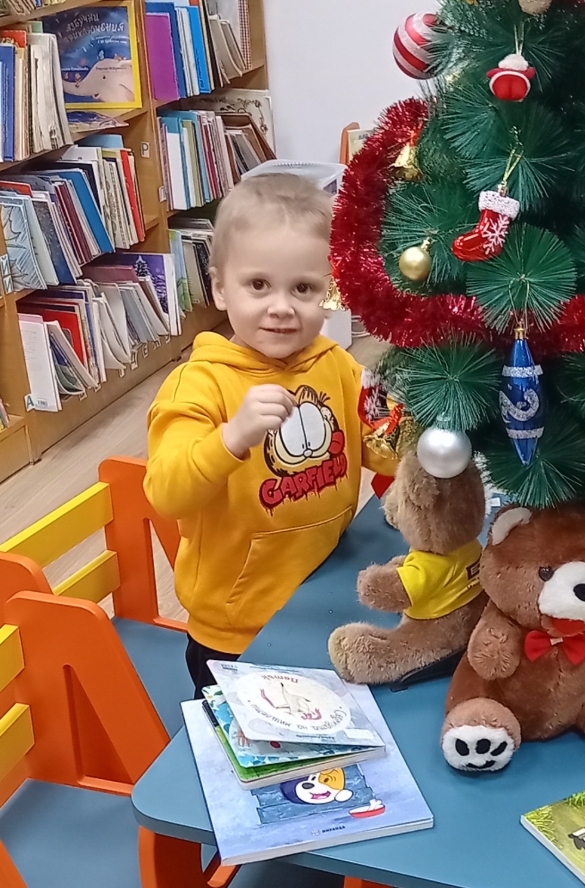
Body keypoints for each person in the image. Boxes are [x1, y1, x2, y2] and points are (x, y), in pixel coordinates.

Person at [144, 174, 396, 698]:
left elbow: (381, 449)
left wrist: (412, 422)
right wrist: (231, 438)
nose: (281, 307)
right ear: (220, 288)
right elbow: (166, 493)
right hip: (236, 630)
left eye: (302, 288)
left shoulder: (336, 364)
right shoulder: (199, 383)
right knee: (249, 740)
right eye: (258, 285)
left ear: (329, 292)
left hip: (322, 596)